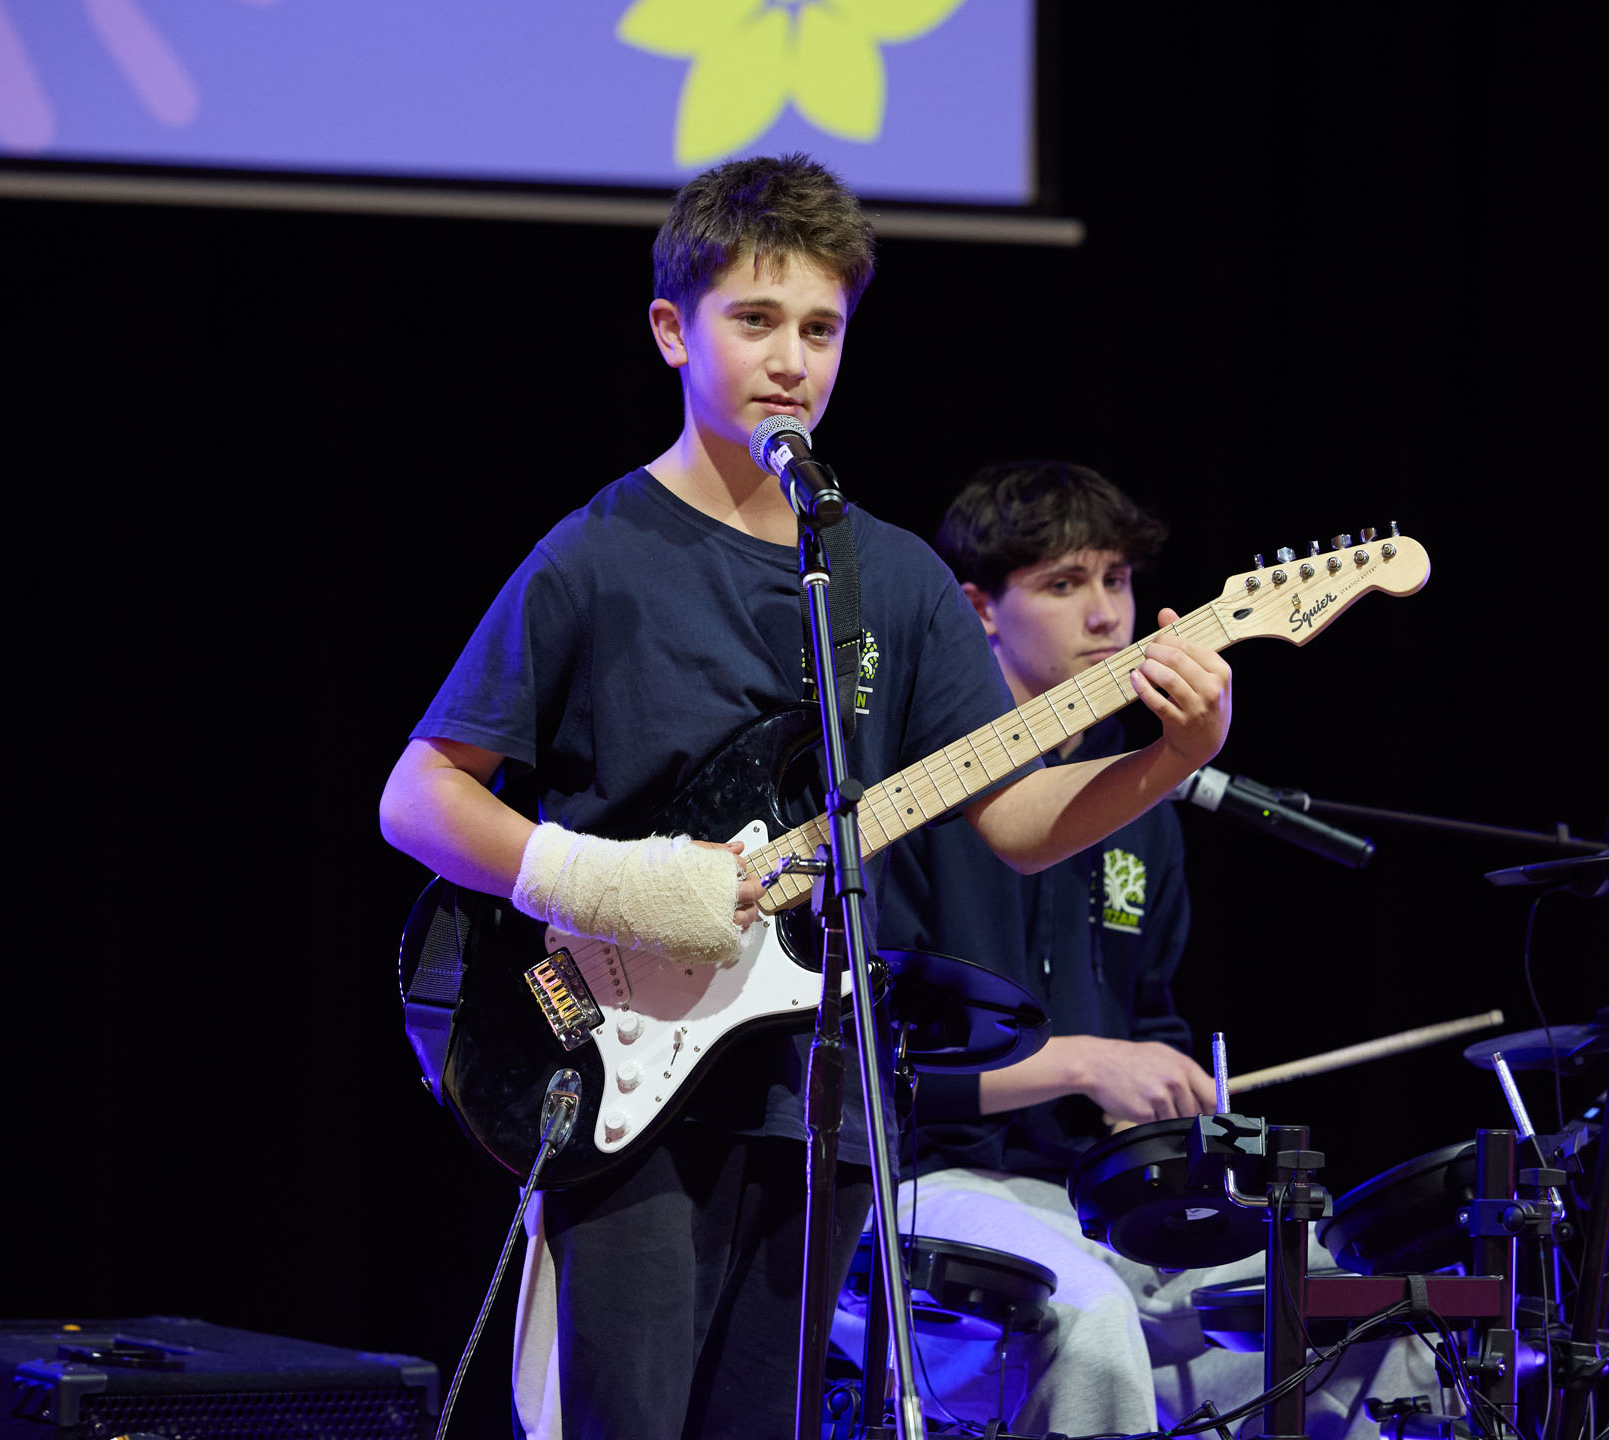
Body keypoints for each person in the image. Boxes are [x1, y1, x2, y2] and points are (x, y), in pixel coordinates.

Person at [377, 156, 1233, 1440]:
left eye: (822, 328)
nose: (793, 358)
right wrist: (611, 881)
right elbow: (419, 798)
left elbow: (1014, 825)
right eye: (756, 319)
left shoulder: (879, 573)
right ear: (673, 331)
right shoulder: (599, 553)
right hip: (626, 1077)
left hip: (819, 1092)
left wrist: (1170, 753)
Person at [864, 460, 1434, 1437]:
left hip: (1100, 1204)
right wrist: (1081, 1066)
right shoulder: (912, 792)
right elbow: (877, 1073)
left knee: (1369, 1314)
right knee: (1088, 1322)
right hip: (927, 1187)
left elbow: (1149, 1019)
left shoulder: (1141, 806)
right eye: (1062, 583)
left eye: (1117, 580)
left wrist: (1180, 1106)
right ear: (978, 610)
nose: (1104, 616)